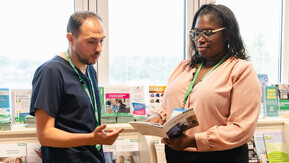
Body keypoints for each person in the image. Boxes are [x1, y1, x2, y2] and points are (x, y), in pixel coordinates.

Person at [146, 4, 261, 163]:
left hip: (220, 157)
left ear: (227, 34)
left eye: (208, 33)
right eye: (196, 33)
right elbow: (165, 107)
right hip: (176, 154)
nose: (199, 39)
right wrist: (156, 116)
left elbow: (242, 129)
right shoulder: (183, 67)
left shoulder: (241, 70)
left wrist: (193, 140)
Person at [29, 11, 124, 162]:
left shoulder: (89, 68)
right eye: (91, 42)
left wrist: (98, 138)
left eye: (102, 41)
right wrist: (91, 138)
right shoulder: (51, 71)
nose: (99, 49)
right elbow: (45, 135)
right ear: (71, 39)